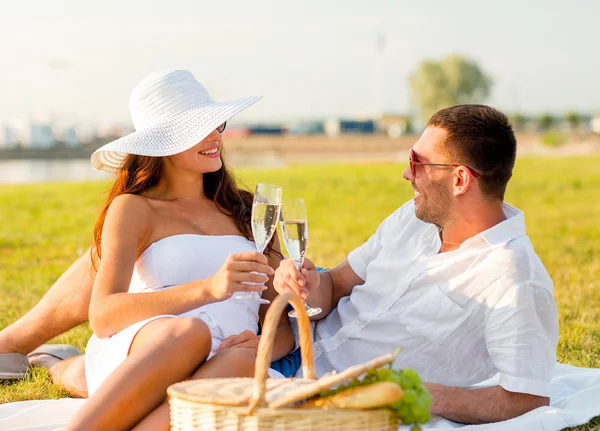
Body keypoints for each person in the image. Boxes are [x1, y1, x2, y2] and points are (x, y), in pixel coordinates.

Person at [19, 69, 294, 431]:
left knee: (244, 363)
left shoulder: (249, 210)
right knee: (189, 332)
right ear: (160, 143)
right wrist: (209, 289)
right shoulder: (135, 208)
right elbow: (103, 315)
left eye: (218, 123)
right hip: (156, 347)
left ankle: (63, 368)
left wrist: (262, 344)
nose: (215, 136)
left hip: (226, 360)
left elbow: (282, 320)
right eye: (199, 128)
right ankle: (57, 370)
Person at [273, 104, 559, 424]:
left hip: (319, 393)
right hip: (292, 338)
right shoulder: (412, 217)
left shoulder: (513, 278)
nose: (406, 173)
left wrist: (418, 394)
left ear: (460, 179)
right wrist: (309, 285)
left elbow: (527, 398)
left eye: (417, 162)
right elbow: (337, 284)